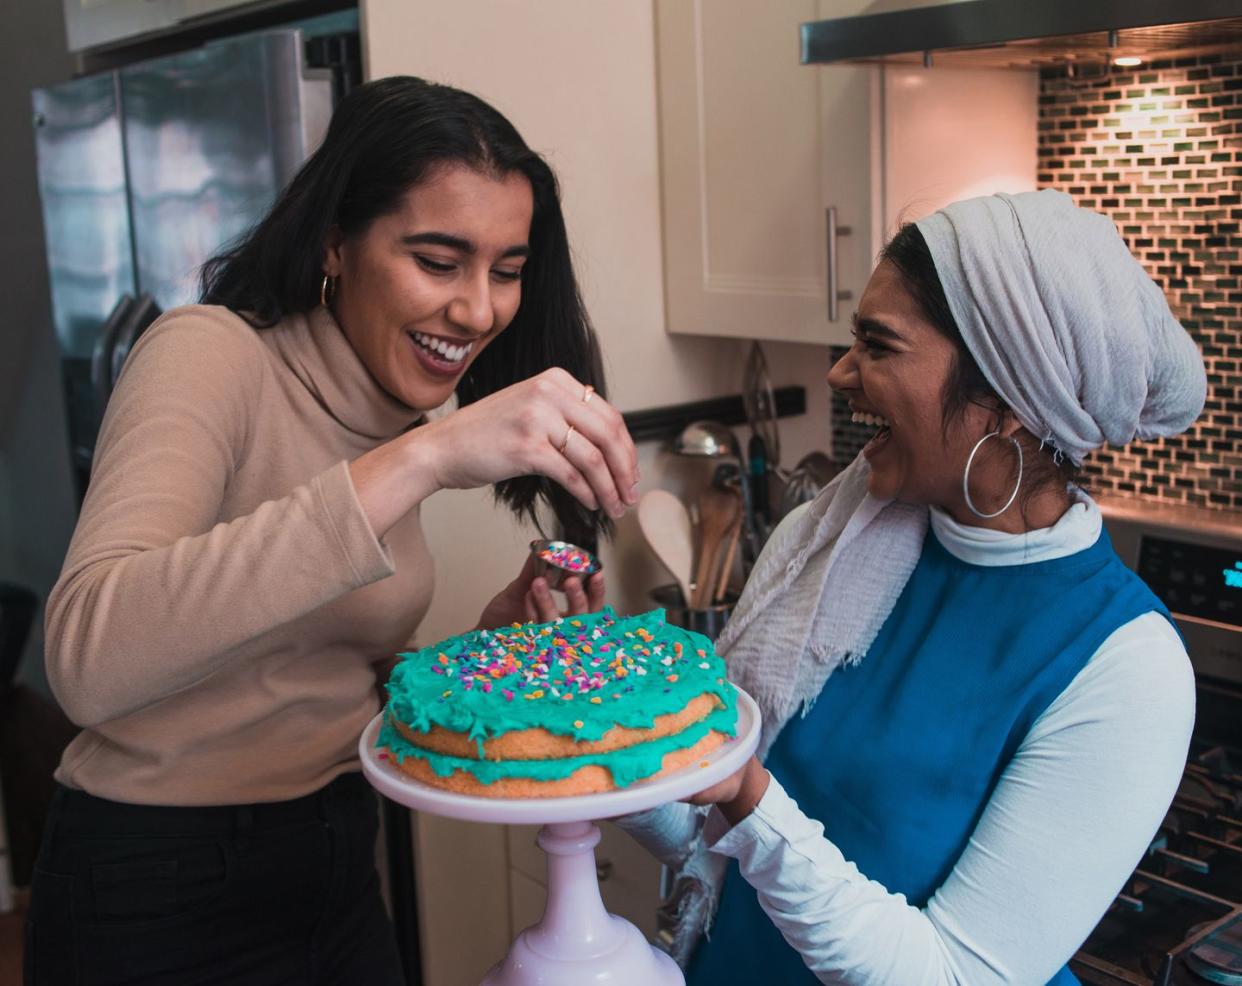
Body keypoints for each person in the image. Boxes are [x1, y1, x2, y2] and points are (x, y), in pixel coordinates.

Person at [26, 76, 639, 986]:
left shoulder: (387, 409)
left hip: (336, 862)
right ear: (335, 244)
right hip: (154, 884)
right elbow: (88, 658)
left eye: (505, 272)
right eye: (438, 261)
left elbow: (302, 672)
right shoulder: (211, 354)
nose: (477, 311)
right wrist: (422, 462)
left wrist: (486, 648)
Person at [618, 189, 1206, 984]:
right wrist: (601, 714)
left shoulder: (1127, 667)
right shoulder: (830, 539)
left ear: (1005, 401)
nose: (841, 373)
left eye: (877, 345)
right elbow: (697, 824)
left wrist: (752, 798)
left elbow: (953, 975)